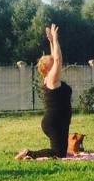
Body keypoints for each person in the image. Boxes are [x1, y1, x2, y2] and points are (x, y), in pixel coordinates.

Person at [15, 24, 72, 159]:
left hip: (59, 121)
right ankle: (29, 154)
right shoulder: (51, 79)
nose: (55, 63)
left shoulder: (50, 78)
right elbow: (57, 59)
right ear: (47, 69)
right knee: (58, 154)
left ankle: (30, 154)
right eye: (51, 63)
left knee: (61, 153)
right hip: (55, 122)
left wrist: (51, 41)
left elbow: (54, 57)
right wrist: (56, 39)